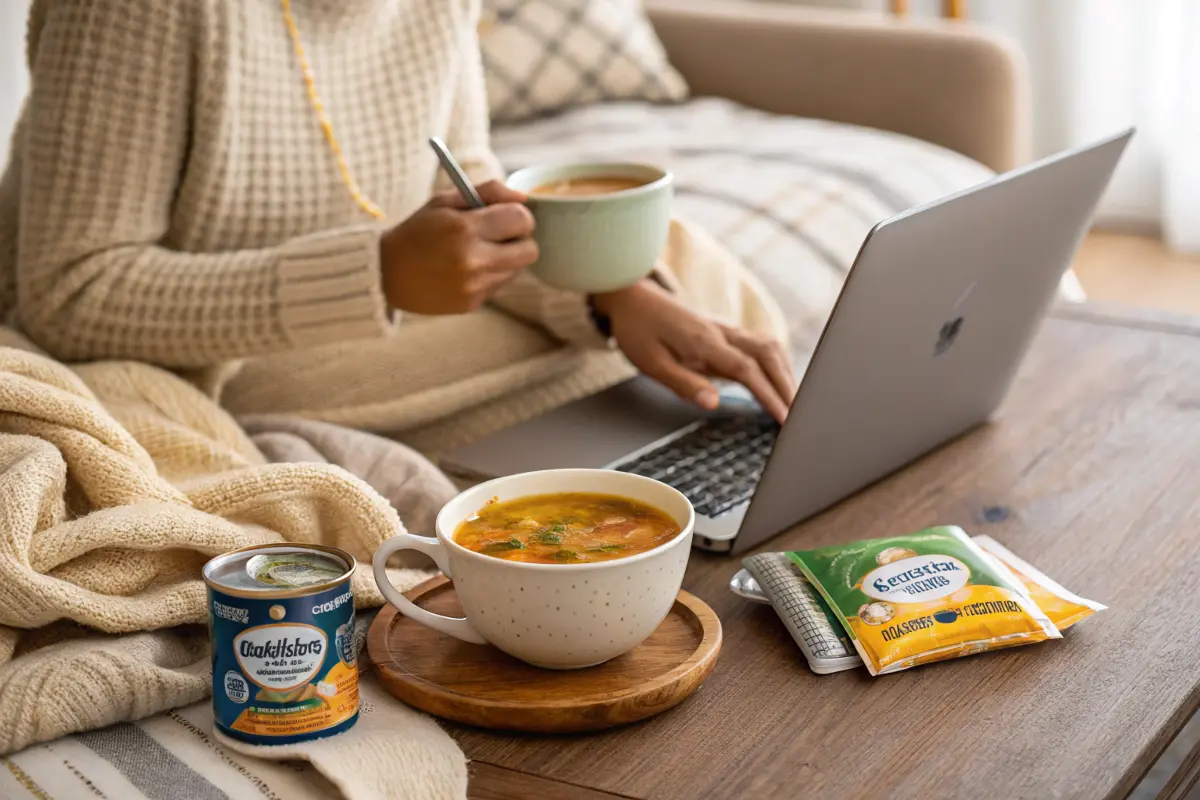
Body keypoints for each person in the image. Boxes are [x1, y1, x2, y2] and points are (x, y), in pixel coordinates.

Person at [0, 0, 794, 456]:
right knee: (616, 373)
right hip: (201, 356)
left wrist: (610, 297)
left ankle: (749, 479)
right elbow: (71, 291)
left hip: (373, 307)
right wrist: (375, 276)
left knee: (671, 265)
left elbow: (472, 191)